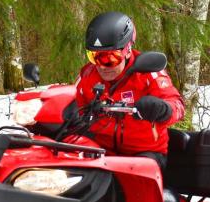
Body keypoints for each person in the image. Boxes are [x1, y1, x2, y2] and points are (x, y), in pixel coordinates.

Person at [72, 11, 185, 169]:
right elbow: (69, 101)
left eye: (111, 57)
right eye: (94, 57)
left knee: (132, 179)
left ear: (127, 50)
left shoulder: (149, 73)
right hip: (102, 151)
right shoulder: (88, 75)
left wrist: (162, 109)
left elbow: (178, 107)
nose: (102, 65)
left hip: (144, 154)